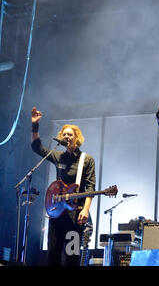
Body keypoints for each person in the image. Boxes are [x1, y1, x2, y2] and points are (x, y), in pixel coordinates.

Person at [31, 107, 96, 265]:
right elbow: (36, 147)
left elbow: (90, 186)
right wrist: (35, 125)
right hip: (56, 213)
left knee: (71, 256)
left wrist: (86, 209)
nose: (66, 136)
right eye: (64, 134)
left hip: (75, 215)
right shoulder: (58, 156)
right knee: (53, 254)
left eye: (70, 134)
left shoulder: (86, 160)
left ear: (76, 138)